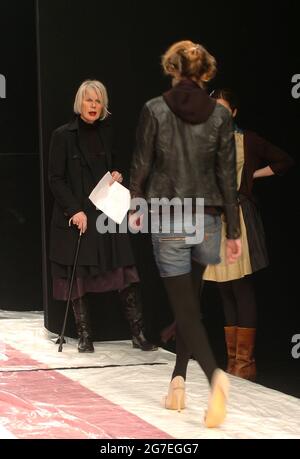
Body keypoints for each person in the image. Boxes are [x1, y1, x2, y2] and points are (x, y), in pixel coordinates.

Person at [130, 41, 242, 428]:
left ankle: (215, 379)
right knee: (189, 306)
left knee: (185, 309)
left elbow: (142, 164)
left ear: (172, 68)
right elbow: (228, 175)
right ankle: (178, 381)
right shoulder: (221, 117)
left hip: (170, 214)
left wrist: (135, 206)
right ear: (205, 71)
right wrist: (234, 229)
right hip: (208, 217)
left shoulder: (154, 109)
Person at [48, 79, 157, 353]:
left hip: (105, 213)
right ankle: (85, 337)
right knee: (79, 276)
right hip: (79, 217)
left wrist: (118, 174)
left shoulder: (107, 133)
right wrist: (74, 211)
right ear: (79, 103)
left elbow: (115, 166)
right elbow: (55, 178)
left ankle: (138, 334)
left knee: (124, 270)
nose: (93, 106)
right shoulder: (63, 135)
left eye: (98, 101)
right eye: (89, 100)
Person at [202, 88, 294, 380]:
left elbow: (284, 161)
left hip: (238, 219)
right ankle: (232, 361)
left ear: (234, 113)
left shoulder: (248, 140)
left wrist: (252, 174)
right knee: (223, 288)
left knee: (241, 287)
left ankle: (246, 364)